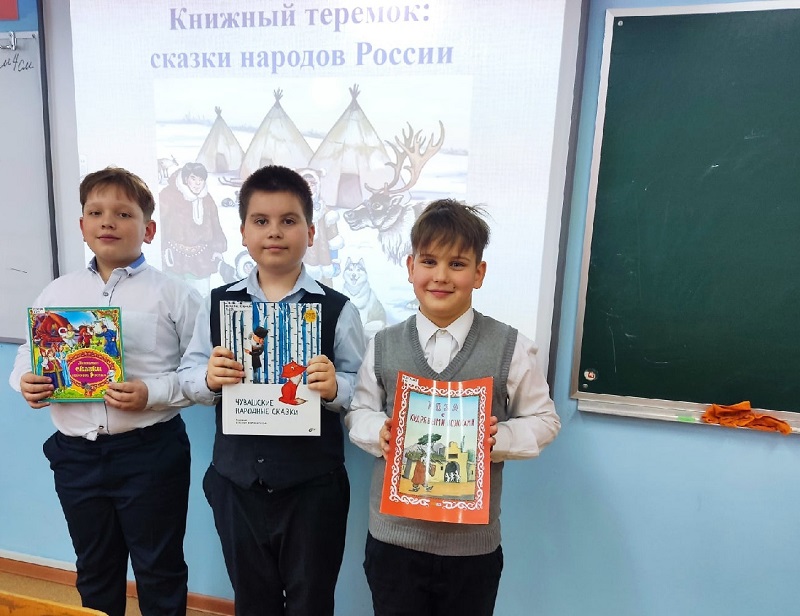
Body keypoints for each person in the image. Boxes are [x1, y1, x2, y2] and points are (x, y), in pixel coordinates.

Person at [345, 198, 561, 616]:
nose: (441, 276)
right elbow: (359, 411)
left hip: (471, 549)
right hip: (394, 541)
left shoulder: (511, 347)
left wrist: (498, 439)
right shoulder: (384, 344)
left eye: (457, 264)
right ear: (410, 267)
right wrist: (379, 432)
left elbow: (545, 420)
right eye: (429, 261)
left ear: (479, 273)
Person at [9, 167, 202, 616]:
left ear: (149, 229)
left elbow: (201, 373)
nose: (107, 222)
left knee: (159, 568)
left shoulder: (175, 295)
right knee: (94, 568)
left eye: (123, 213)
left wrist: (152, 392)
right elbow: (27, 353)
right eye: (95, 213)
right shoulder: (57, 292)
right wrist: (25, 380)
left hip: (150, 453)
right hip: (76, 455)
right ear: (82, 226)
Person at [178, 164, 366, 616]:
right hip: (236, 483)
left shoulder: (338, 310)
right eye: (261, 221)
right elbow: (188, 374)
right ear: (243, 232)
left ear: (311, 232)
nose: (275, 231)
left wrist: (335, 387)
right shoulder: (218, 304)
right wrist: (209, 378)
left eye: (289, 220)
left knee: (311, 601)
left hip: (313, 488)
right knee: (253, 601)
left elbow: (363, 390)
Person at [159, 161, 228, 292]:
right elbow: (158, 225)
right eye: (193, 178)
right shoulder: (167, 196)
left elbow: (215, 225)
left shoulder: (207, 199)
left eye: (201, 180)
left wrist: (218, 249)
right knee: (174, 299)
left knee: (201, 298)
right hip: (175, 259)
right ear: (186, 179)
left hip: (201, 260)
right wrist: (161, 250)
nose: (197, 183)